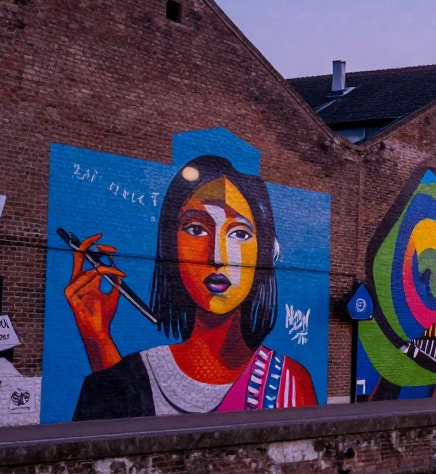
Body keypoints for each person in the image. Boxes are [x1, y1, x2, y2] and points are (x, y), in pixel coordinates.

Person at [67, 155, 316, 420]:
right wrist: (97, 340)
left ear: (265, 254)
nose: (217, 257)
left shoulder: (290, 381)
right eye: (196, 229)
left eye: (240, 234)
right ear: (170, 245)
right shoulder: (135, 371)